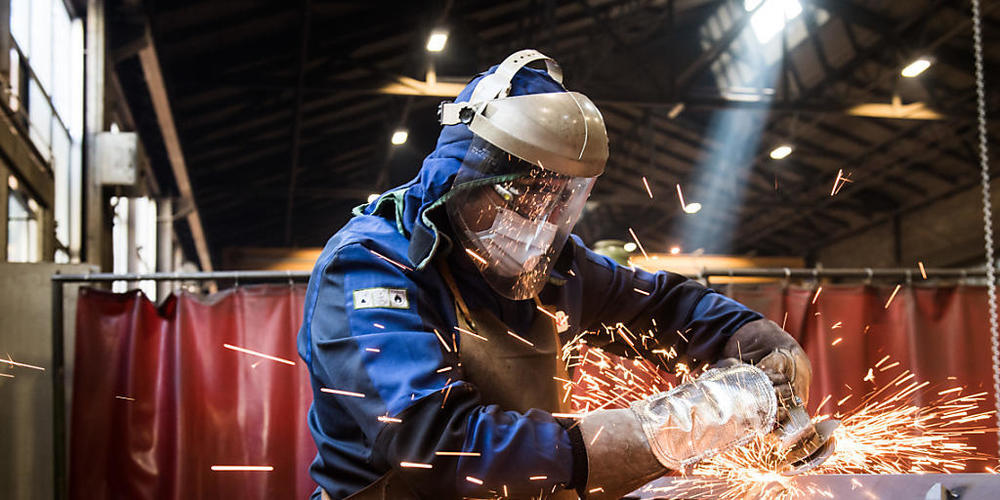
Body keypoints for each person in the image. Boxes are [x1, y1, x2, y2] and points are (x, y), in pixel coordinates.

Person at [297, 50, 812, 500]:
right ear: (465, 174)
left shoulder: (551, 265)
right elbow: (433, 443)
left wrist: (756, 350)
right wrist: (662, 429)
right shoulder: (370, 265)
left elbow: (663, 306)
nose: (536, 227)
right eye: (519, 197)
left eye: (557, 204)